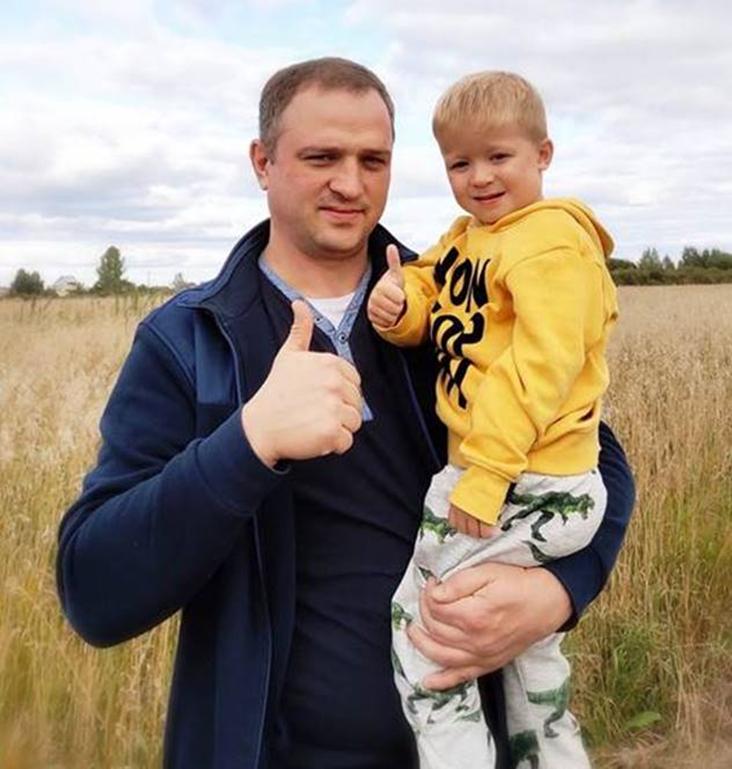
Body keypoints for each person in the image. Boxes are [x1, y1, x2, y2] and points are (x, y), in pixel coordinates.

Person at [56, 58, 634, 769]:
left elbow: (595, 459)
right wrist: (249, 442)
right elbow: (95, 592)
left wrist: (557, 591)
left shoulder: (455, 301)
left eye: (373, 160)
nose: (351, 184)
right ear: (262, 162)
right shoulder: (189, 341)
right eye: (321, 157)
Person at [368, 71, 617, 768]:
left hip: (519, 482)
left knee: (426, 629)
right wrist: (403, 306)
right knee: (530, 652)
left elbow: (539, 367)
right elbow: (432, 284)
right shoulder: (470, 237)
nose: (479, 177)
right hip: (520, 480)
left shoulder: (550, 245)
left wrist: (485, 474)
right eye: (459, 163)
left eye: (498, 156)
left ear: (544, 153)